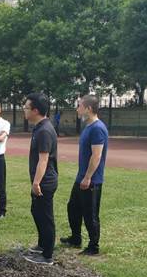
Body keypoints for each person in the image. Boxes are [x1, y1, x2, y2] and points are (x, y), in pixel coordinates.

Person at [60, 94, 108, 256]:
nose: (77, 109)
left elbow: (97, 156)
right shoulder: (88, 127)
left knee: (90, 214)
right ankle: (76, 238)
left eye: (79, 106)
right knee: (73, 208)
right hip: (81, 177)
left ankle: (93, 246)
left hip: (91, 180)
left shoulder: (97, 128)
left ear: (88, 108)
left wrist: (88, 177)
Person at [22, 92, 58, 265]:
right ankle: (42, 245)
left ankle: (47, 256)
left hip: (45, 182)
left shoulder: (44, 130)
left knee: (45, 217)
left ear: (35, 110)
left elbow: (43, 159)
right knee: (37, 212)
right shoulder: (39, 127)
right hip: (41, 181)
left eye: (26, 107)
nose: (24, 110)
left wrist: (36, 183)